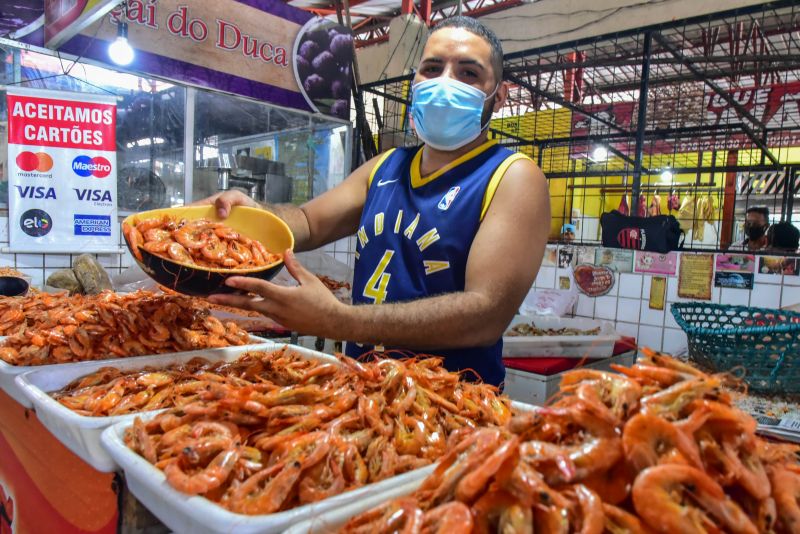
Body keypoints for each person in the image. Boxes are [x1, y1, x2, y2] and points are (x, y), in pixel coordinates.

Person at [199, 17, 550, 386]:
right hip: (363, 390)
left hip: (453, 408)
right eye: (432, 68)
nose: (445, 82)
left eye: (468, 73)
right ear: (414, 83)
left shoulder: (512, 177)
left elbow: (485, 315)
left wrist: (337, 320)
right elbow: (307, 221)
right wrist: (252, 213)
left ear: (498, 96)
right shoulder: (387, 166)